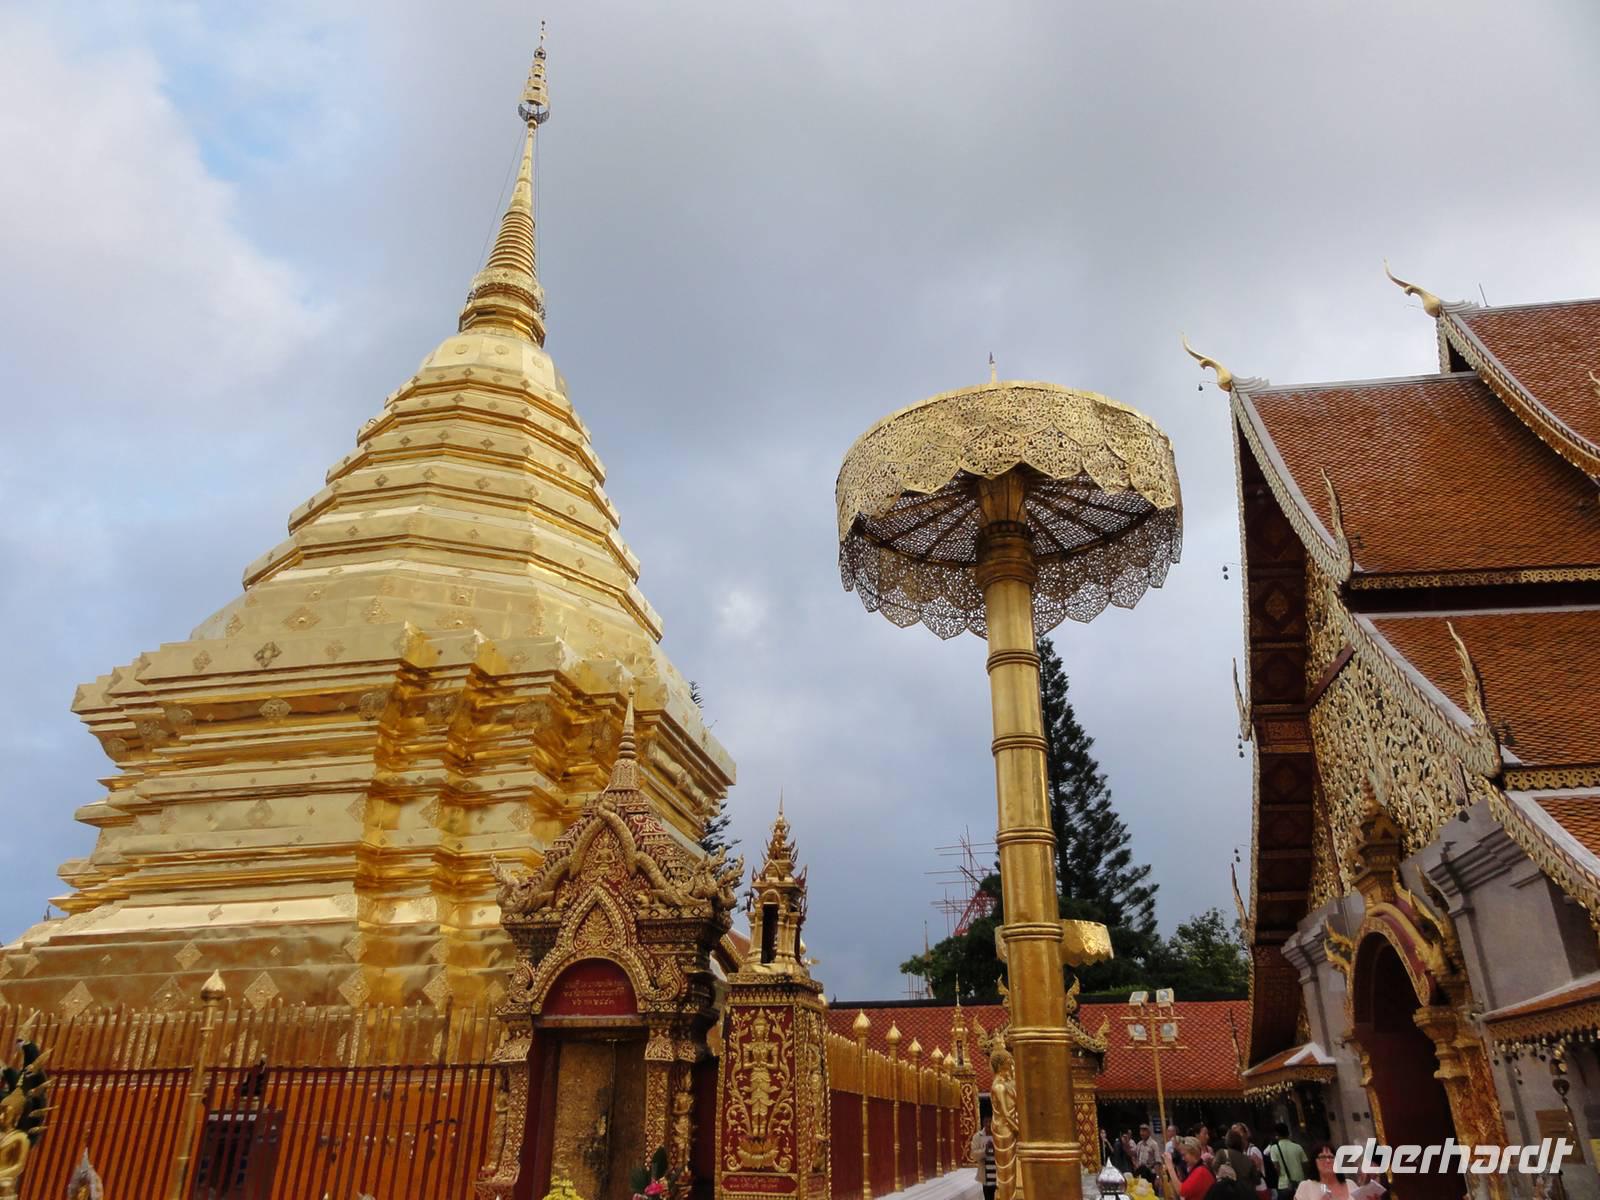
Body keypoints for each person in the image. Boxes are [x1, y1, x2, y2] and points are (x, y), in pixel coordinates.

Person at [1293, 1144, 1384, 1200]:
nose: (1328, 1161)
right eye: (1322, 1157)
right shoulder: (1306, 1187)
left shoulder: (1350, 1184)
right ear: (1314, 1161)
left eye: (1331, 1157)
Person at [1266, 1123, 1308, 1200]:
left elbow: (1277, 1168)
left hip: (1284, 1185)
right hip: (1300, 1183)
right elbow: (1305, 1165)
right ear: (1288, 1133)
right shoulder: (1298, 1147)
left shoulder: (1274, 1148)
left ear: (1277, 1134)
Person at [1214, 1127, 1262, 1195]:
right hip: (1246, 1194)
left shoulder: (1222, 1154)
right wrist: (1257, 1167)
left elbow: (1214, 1169)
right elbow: (1257, 1181)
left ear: (1227, 1141)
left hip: (1229, 1194)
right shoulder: (1248, 1160)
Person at [971, 1116, 996, 1200]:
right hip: (986, 1175)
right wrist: (985, 1151)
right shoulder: (977, 1136)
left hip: (999, 1174)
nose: (989, 1124)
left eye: (990, 1121)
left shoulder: (999, 1136)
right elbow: (973, 1155)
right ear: (983, 1123)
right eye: (986, 1121)